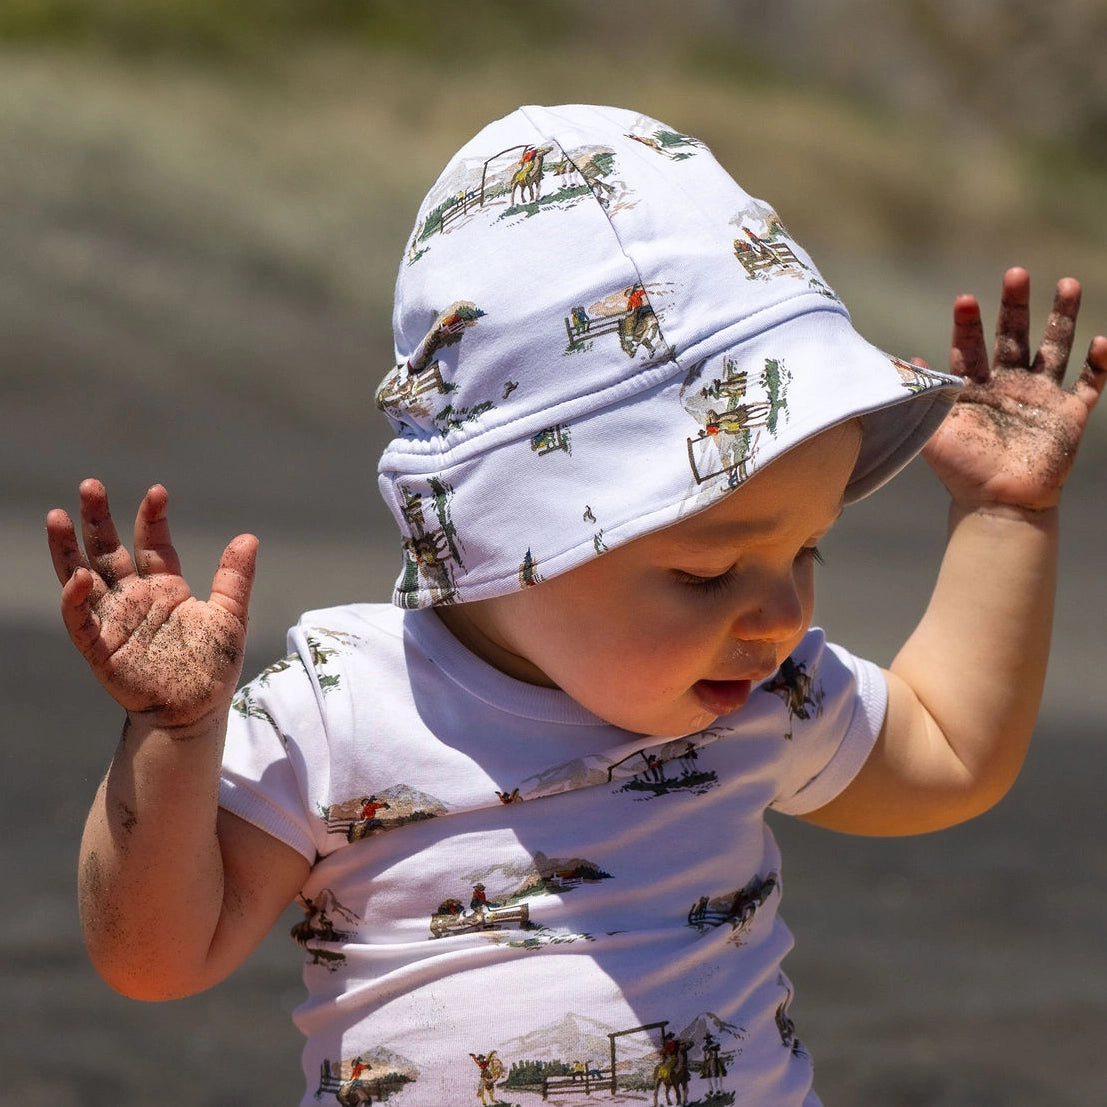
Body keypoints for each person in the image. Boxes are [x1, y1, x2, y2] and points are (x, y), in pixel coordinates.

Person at [46, 105, 1105, 1105]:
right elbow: (155, 956)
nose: (779, 614)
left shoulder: (756, 696)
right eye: (705, 573)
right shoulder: (346, 706)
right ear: (516, 536)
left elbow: (950, 751)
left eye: (805, 550)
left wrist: (1005, 522)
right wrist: (174, 737)